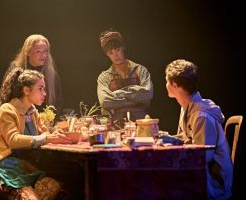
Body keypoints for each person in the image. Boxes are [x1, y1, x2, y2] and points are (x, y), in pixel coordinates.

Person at [0, 68, 72, 199]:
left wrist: (55, 133)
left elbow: (43, 132)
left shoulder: (32, 111)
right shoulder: (7, 110)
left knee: (65, 186)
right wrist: (46, 138)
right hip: (9, 167)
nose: (44, 93)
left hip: (28, 165)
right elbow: (13, 140)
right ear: (26, 90)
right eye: (40, 89)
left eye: (44, 89)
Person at [165, 59, 233, 200]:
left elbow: (202, 157)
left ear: (175, 85)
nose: (165, 85)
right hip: (200, 172)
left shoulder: (201, 115)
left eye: (167, 81)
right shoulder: (186, 108)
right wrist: (166, 138)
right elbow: (184, 138)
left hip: (212, 180)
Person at [97, 29, 153, 126]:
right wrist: (135, 96)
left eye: (117, 50)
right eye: (111, 52)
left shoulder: (140, 70)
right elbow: (105, 101)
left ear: (123, 48)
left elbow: (147, 95)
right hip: (115, 125)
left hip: (141, 124)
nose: (116, 55)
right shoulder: (104, 76)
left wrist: (118, 93)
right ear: (107, 55)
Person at [2, 34, 63, 122]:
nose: (43, 55)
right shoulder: (16, 71)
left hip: (45, 124)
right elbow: (6, 98)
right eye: (38, 51)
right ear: (28, 52)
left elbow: (58, 102)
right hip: (20, 121)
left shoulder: (51, 74)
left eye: (45, 51)